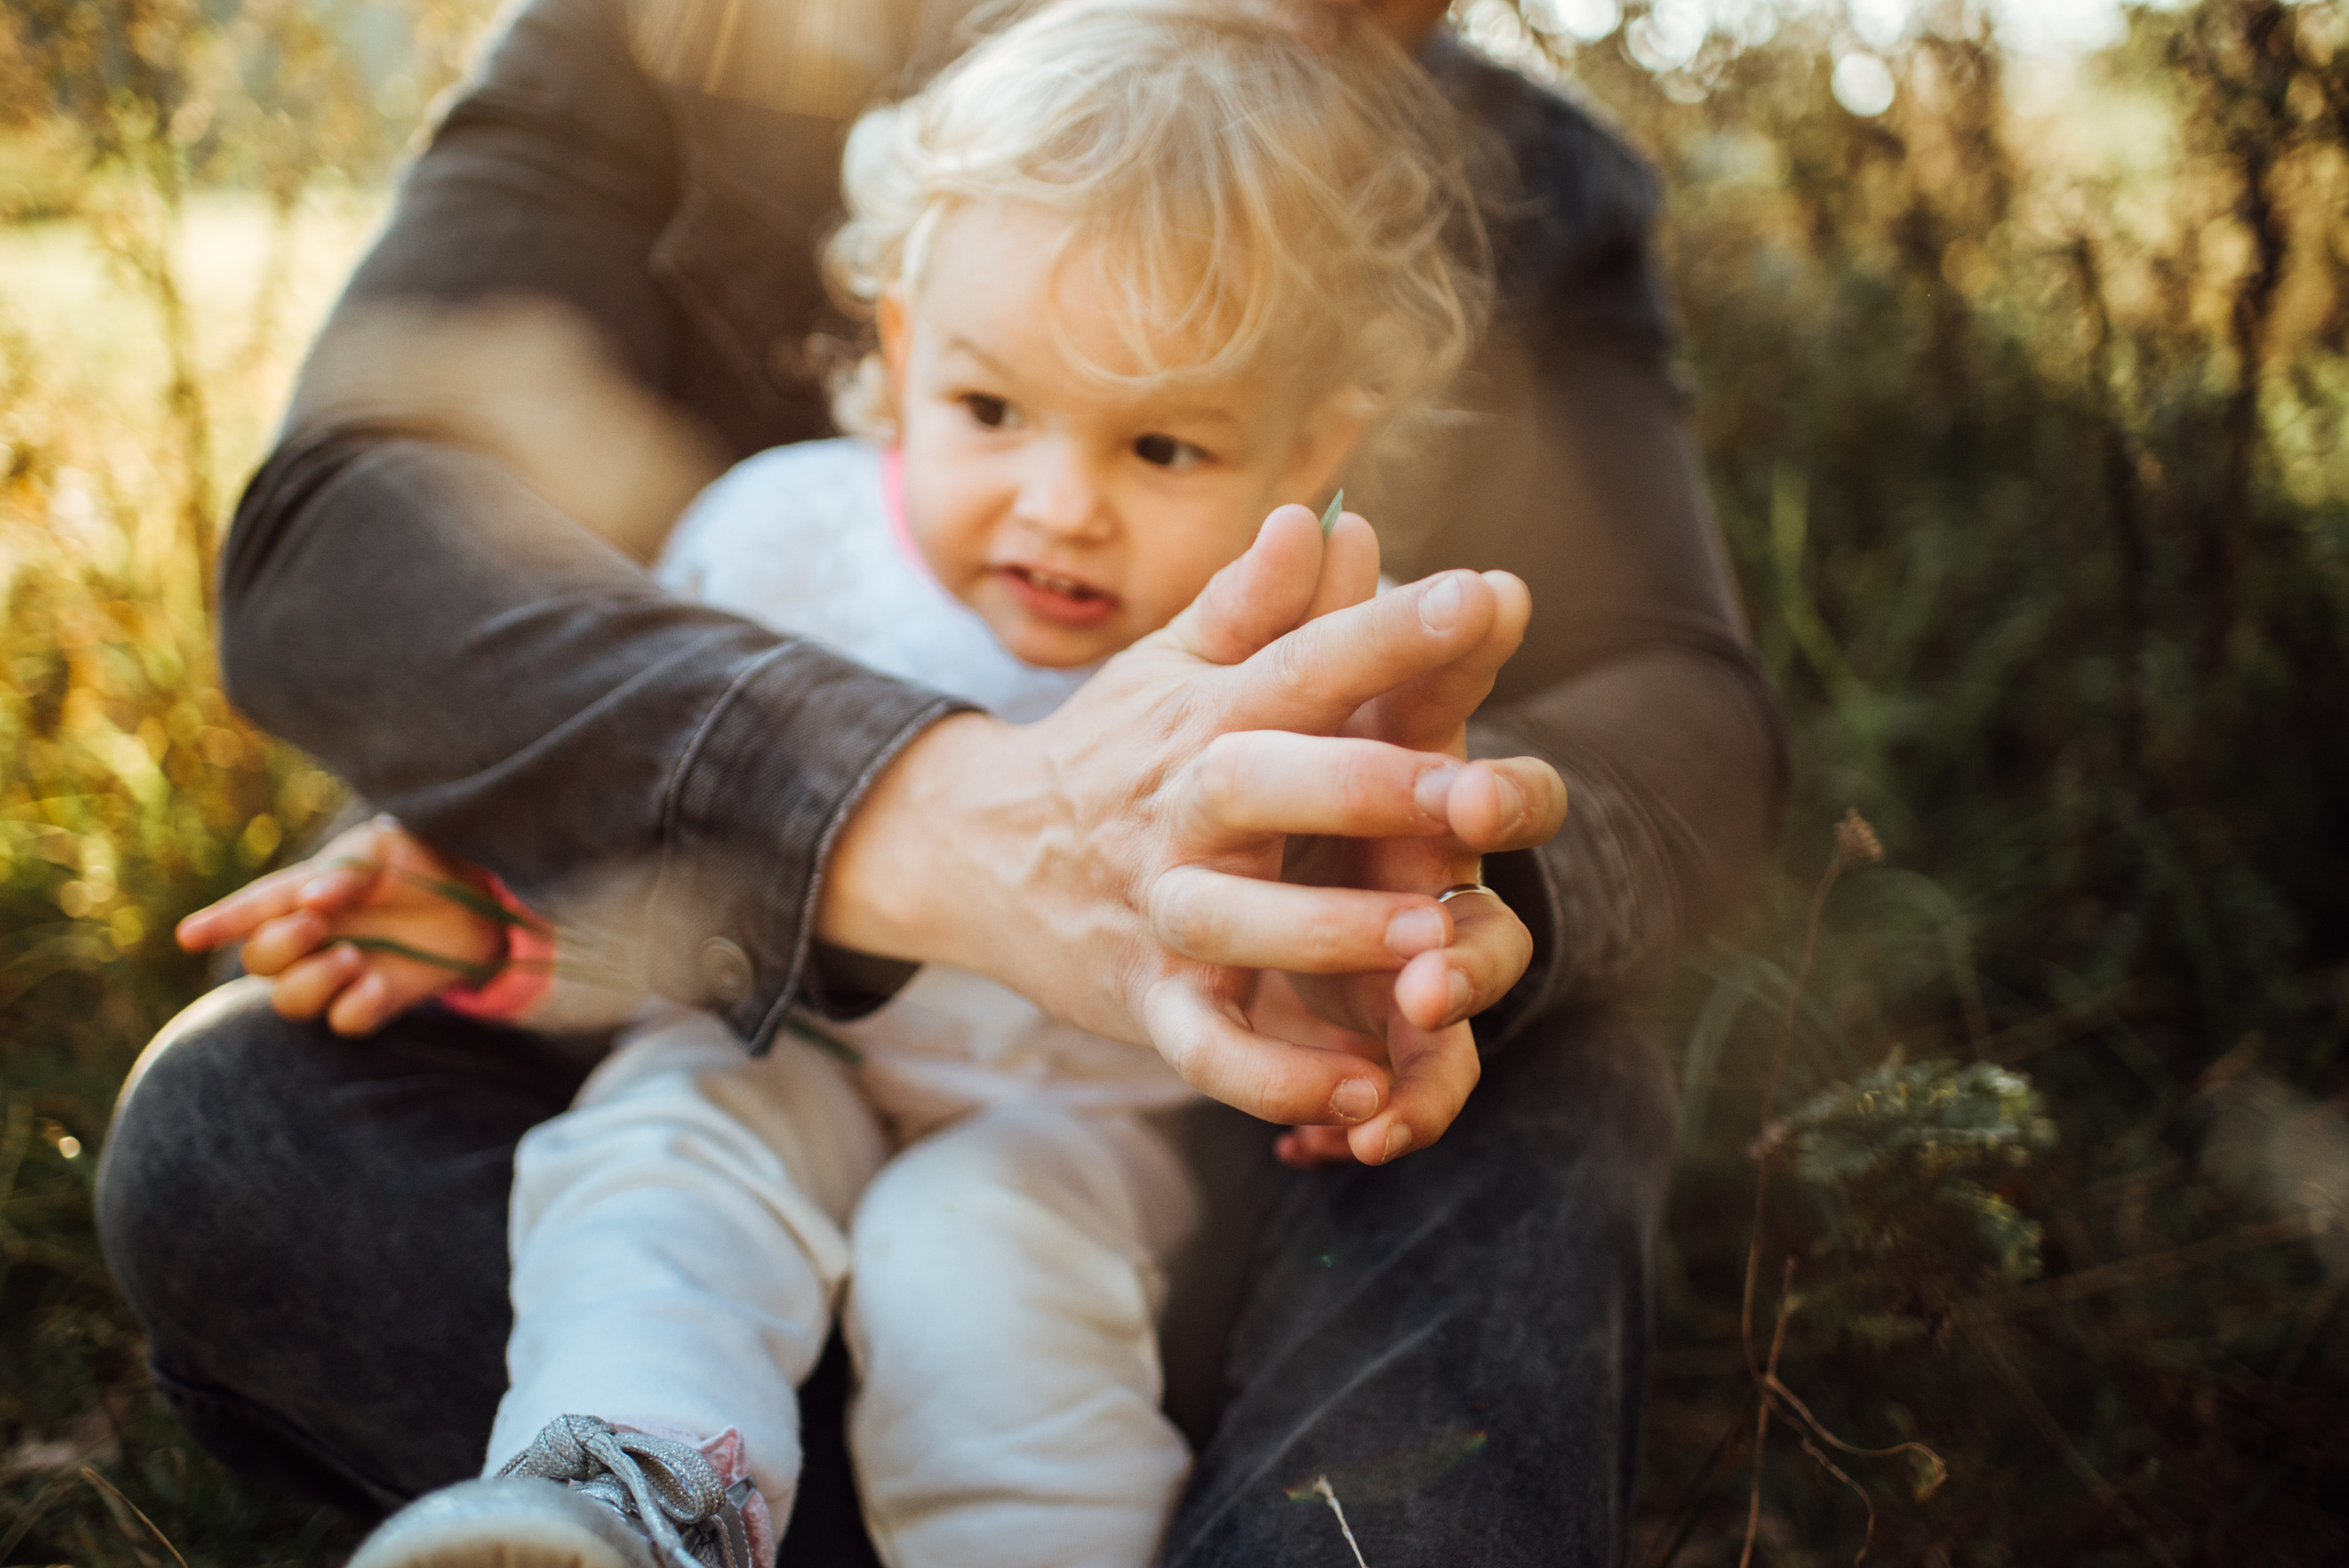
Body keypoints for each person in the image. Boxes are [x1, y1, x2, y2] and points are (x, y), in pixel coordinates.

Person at [95, 0, 1787, 1561]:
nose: (1061, 506)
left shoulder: (1310, 618)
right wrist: (509, 929)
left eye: (1163, 445)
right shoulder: (778, 525)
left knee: (991, 1275)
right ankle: (631, 1496)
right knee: (649, 1156)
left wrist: (1424, 882)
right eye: (991, 408)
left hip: (1102, 1145)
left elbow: (1680, 698)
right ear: (898, 344)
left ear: (1308, 451)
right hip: (780, 1040)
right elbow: (382, 567)